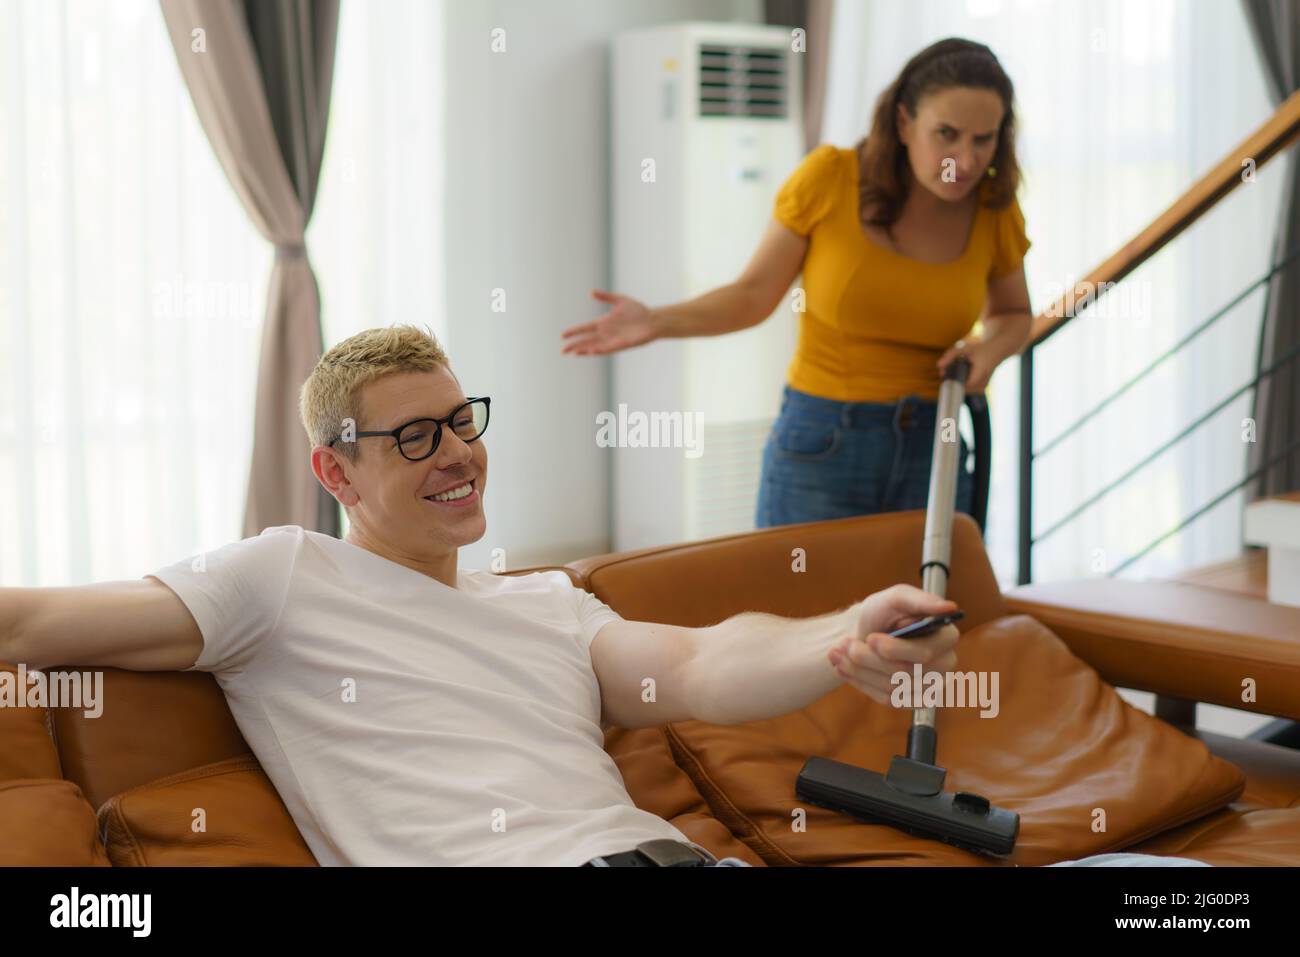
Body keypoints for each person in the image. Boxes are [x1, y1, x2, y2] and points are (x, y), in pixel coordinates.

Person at [1, 324, 967, 867]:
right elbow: (30, 622)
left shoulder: (551, 602)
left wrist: (844, 635)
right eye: (416, 437)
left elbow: (699, 661)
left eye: (463, 421)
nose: (460, 453)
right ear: (335, 475)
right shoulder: (283, 577)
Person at [561, 38, 1034, 529]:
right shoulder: (829, 178)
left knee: (925, 606)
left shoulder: (993, 210)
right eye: (947, 134)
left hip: (935, 443)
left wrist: (989, 349)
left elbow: (1013, 315)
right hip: (824, 442)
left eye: (985, 139)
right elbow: (751, 296)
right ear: (903, 124)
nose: (968, 158)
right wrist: (657, 321)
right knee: (800, 603)